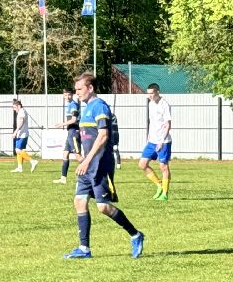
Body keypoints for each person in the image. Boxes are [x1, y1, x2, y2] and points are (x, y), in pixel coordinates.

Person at [64, 73, 144, 260]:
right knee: (79, 201)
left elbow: (103, 136)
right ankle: (84, 248)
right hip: (87, 165)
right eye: (75, 90)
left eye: (79, 89)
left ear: (90, 88)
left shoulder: (99, 106)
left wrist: (87, 160)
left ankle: (135, 234)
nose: (77, 93)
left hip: (99, 164)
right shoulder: (86, 109)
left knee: (103, 207)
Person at [138, 84, 172, 201]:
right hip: (151, 141)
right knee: (142, 164)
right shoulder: (151, 104)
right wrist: (149, 136)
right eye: (148, 93)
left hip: (163, 142)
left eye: (152, 93)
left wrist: (161, 141)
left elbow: (168, 124)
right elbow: (152, 122)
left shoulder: (164, 105)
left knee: (163, 167)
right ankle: (159, 185)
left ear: (157, 92)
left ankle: (164, 194)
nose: (150, 95)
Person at [54, 89, 81, 184]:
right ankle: (63, 178)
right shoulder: (69, 105)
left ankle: (90, 175)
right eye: (65, 95)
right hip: (70, 132)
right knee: (65, 154)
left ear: (72, 95)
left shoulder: (73, 105)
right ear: (63, 95)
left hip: (74, 132)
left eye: (69, 95)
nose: (67, 97)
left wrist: (62, 124)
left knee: (78, 155)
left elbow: (74, 120)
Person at [10, 99, 36, 173]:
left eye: (14, 107)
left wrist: (15, 132)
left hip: (22, 134)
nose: (14, 109)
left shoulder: (21, 112)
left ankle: (32, 161)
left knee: (18, 150)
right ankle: (20, 167)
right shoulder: (23, 111)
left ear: (18, 106)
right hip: (23, 134)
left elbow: (20, 124)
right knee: (19, 150)